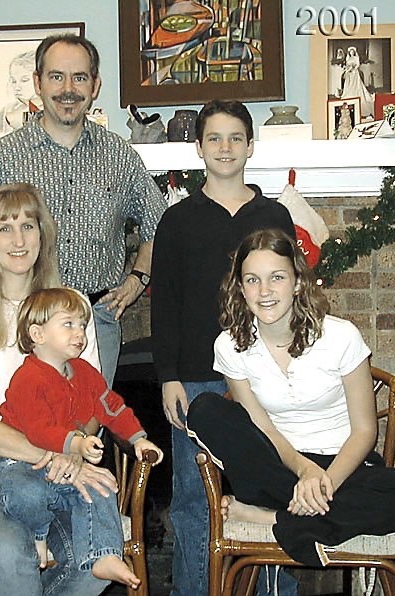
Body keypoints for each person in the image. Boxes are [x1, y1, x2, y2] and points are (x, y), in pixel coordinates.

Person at [186, 229, 395, 567]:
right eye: (253, 280)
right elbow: (264, 429)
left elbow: (364, 431)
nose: (265, 291)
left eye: (277, 277)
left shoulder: (340, 336)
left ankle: (276, 521)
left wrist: (323, 482)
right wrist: (304, 471)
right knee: (204, 408)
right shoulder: (229, 346)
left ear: (298, 282)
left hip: (343, 469)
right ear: (240, 289)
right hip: (278, 468)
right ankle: (303, 512)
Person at [0, 33, 166, 387]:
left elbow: (161, 226)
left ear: (95, 85)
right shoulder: (2, 159)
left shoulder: (121, 156)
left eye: (79, 77)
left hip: (95, 322)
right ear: (37, 82)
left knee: (85, 429)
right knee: (24, 429)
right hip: (19, 322)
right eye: (56, 76)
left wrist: (136, 281)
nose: (68, 88)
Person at [0, 182, 118, 596]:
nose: (18, 240)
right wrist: (46, 453)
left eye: (28, 226)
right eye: (4, 227)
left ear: (43, 234)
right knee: (9, 554)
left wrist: (73, 448)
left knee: (97, 562)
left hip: (59, 463)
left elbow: (94, 398)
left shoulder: (71, 306)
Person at [150, 100, 296, 596]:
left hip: (264, 375)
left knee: (272, 487)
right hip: (195, 376)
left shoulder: (272, 214)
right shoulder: (177, 220)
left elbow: (289, 292)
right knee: (194, 498)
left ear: (251, 146)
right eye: (215, 138)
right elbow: (164, 302)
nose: (226, 148)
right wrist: (168, 375)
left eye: (236, 137)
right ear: (199, 148)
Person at [0, 286, 163, 588]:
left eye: (82, 325)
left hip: (66, 470)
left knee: (102, 486)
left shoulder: (84, 372)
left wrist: (137, 438)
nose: (80, 332)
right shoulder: (27, 378)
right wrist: (78, 442)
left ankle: (104, 554)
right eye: (68, 324)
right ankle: (37, 535)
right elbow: (38, 430)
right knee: (28, 494)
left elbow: (111, 406)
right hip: (21, 464)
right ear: (37, 334)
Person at [0, 50, 41, 135]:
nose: (17, 87)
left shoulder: (53, 111)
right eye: (14, 81)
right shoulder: (7, 110)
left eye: (24, 80)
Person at [341, 46, 374, 119]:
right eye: (350, 52)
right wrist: (349, 68)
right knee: (348, 84)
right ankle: (348, 95)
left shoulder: (356, 58)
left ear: (354, 52)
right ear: (349, 52)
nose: (352, 53)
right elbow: (347, 64)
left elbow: (357, 64)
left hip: (355, 73)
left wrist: (353, 68)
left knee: (356, 85)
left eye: (353, 52)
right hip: (349, 73)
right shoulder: (348, 58)